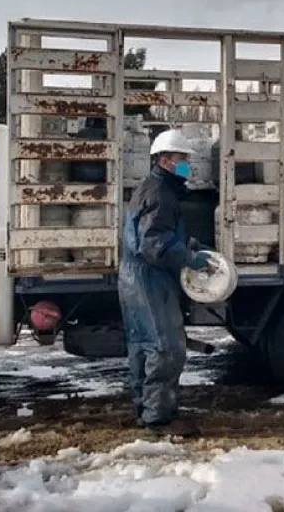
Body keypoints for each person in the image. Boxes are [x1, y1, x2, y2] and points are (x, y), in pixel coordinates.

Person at [118, 128, 214, 437]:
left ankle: (144, 409)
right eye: (181, 158)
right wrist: (188, 258)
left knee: (142, 345)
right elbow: (153, 244)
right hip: (150, 277)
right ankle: (159, 417)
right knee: (166, 347)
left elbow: (156, 235)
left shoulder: (155, 188)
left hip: (135, 276)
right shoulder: (160, 193)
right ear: (164, 160)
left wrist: (187, 245)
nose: (187, 164)